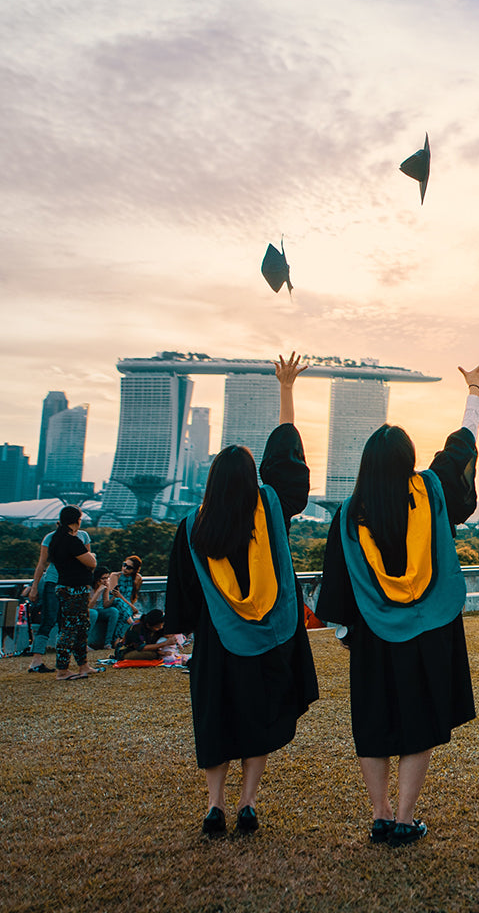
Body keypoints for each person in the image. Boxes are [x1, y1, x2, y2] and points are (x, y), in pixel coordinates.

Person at [316, 358, 479, 846]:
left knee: (374, 722)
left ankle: (380, 813)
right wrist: (474, 392)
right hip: (429, 631)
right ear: (409, 459)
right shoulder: (431, 489)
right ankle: (406, 818)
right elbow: (461, 445)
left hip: (373, 632)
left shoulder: (351, 515)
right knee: (418, 723)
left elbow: (337, 582)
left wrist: (348, 633)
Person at [165, 353, 320, 837]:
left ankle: (215, 806)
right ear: (253, 481)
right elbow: (285, 459)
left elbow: (183, 599)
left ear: (211, 481)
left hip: (218, 642)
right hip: (269, 638)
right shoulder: (270, 506)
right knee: (258, 719)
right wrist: (287, 389)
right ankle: (248, 804)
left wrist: (192, 631)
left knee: (218, 721)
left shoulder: (192, 526)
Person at [39, 506, 100, 680]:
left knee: (81, 627)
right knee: (69, 629)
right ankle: (63, 670)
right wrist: (91, 554)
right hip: (74, 590)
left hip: (65, 586)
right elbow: (91, 562)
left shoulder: (55, 540)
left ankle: (83, 665)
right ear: (76, 520)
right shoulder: (71, 541)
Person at [21, 527, 71, 672]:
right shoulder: (51, 537)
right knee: (48, 620)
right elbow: (41, 563)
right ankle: (36, 661)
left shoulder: (82, 537)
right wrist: (34, 587)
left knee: (66, 623)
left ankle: (62, 662)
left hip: (69, 583)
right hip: (53, 582)